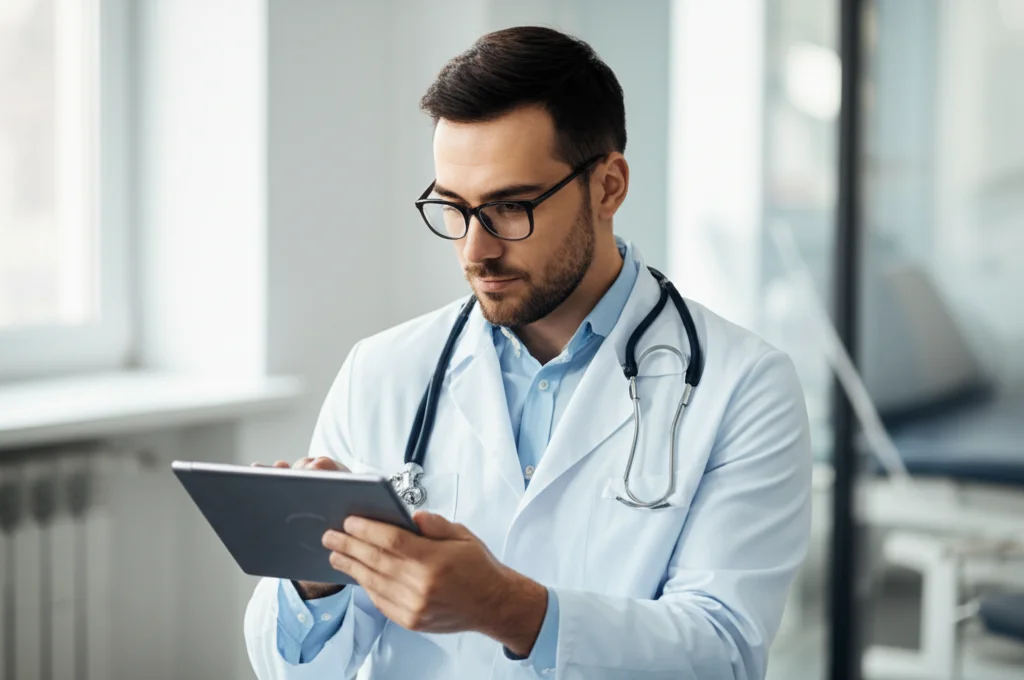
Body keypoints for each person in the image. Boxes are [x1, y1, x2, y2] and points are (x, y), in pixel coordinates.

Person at [244, 25, 811, 680]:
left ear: (608, 187)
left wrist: (508, 609)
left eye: (510, 208)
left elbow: (723, 653)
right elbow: (295, 668)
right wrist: (317, 579)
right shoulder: (383, 371)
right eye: (453, 207)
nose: (474, 250)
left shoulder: (745, 387)